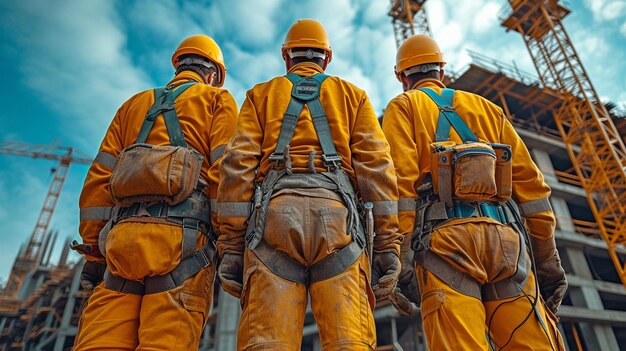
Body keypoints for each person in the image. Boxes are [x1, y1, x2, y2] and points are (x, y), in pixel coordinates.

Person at [216, 19, 401, 350]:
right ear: (326, 58)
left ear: (286, 57)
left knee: (266, 343)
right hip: (339, 224)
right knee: (350, 341)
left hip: (273, 222)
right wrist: (387, 243)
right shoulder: (352, 96)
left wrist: (230, 245)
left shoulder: (260, 95)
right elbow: (377, 170)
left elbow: (236, 168)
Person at [382, 34, 567, 350]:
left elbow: (399, 187)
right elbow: (534, 190)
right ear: (442, 69)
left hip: (444, 245)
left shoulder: (404, 106)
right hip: (507, 245)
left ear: (402, 76)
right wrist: (547, 261)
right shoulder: (487, 109)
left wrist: (397, 259)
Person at [72, 34, 238, 350]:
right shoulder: (217, 100)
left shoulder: (133, 105)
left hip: (121, 244)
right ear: (213, 74)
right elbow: (227, 174)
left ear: (178, 65)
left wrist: (94, 250)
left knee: (99, 341)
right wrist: (231, 240)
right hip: (183, 245)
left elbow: (98, 179)